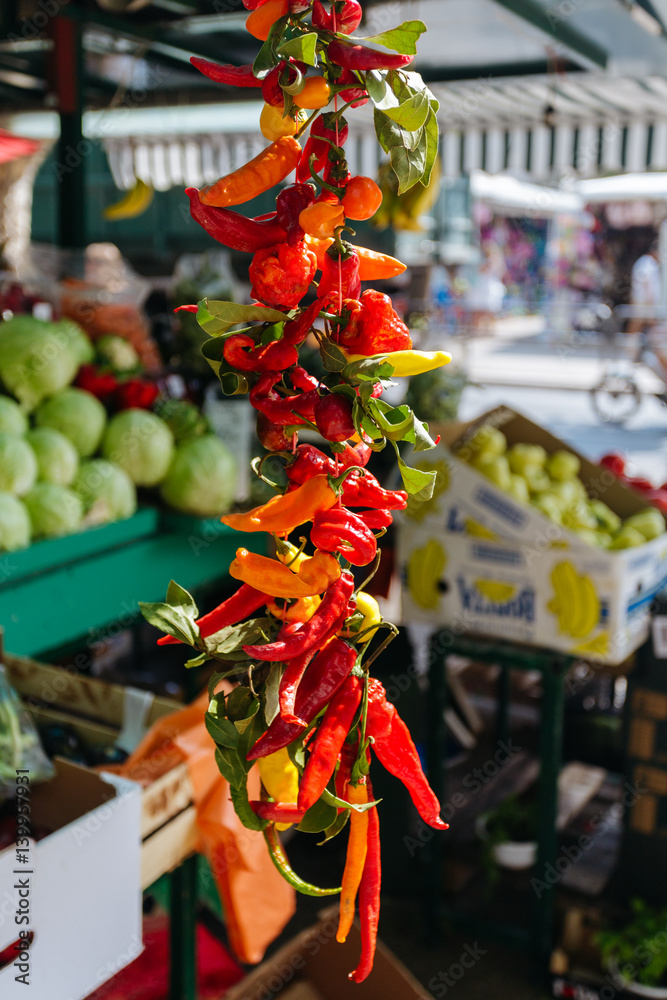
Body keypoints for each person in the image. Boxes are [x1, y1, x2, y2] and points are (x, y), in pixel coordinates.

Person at [629, 239, 661, 334]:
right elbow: (647, 284)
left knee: (639, 324)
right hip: (644, 302)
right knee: (638, 323)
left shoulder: (643, 262)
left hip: (642, 301)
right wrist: (650, 303)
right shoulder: (648, 263)